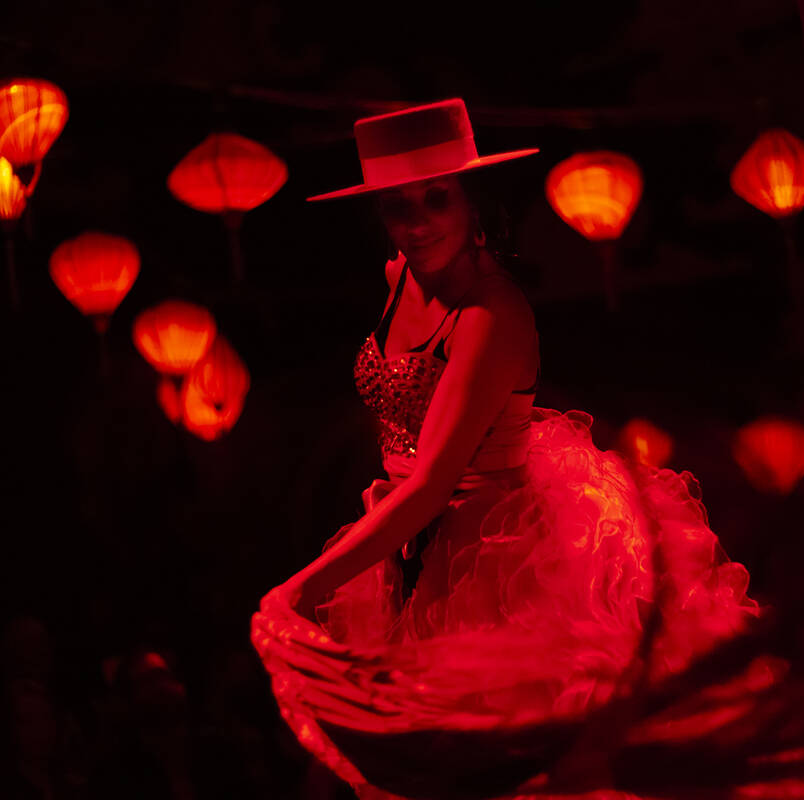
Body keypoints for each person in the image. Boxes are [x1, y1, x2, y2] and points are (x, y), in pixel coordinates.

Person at [251, 98, 758, 799]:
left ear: (472, 198)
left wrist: (304, 586)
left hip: (500, 558)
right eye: (399, 206)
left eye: (438, 197)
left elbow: (433, 481)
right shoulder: (400, 278)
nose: (420, 220)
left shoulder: (493, 314)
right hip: (408, 554)